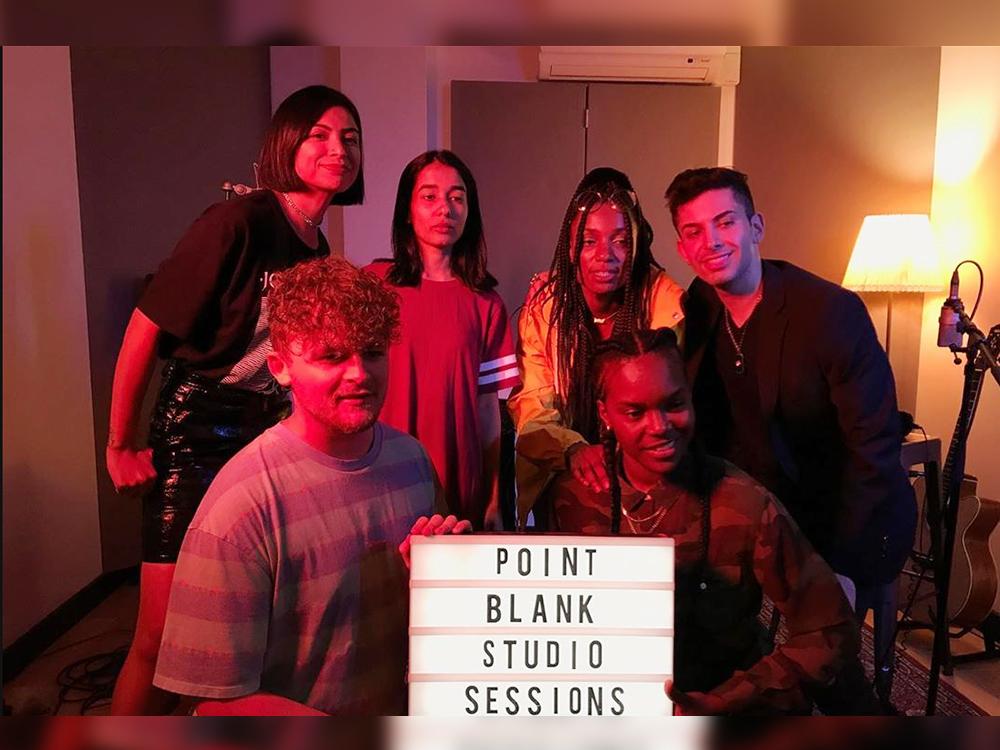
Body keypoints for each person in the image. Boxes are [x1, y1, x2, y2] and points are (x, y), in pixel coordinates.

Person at [105, 85, 365, 714]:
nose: (339, 149)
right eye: (320, 135)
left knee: (241, 619)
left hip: (262, 424)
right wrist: (119, 444)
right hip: (198, 423)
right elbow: (144, 328)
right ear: (286, 143)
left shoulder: (316, 246)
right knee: (161, 635)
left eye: (350, 138)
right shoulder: (238, 221)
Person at [152, 256, 471, 715]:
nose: (359, 374)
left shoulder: (413, 462)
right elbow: (214, 703)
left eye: (373, 352)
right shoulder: (239, 508)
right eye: (332, 356)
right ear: (280, 367)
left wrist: (438, 581)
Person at [665, 167, 917, 702]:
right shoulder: (700, 305)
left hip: (842, 516)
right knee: (710, 633)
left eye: (725, 222)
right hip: (762, 516)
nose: (712, 242)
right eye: (694, 231)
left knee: (827, 662)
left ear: (755, 226)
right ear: (683, 249)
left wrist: (838, 563)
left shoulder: (830, 312)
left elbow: (873, 450)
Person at [551, 327, 873, 715]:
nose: (660, 427)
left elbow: (830, 628)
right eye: (635, 412)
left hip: (726, 702)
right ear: (605, 414)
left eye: (674, 403)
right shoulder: (572, 498)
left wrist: (732, 699)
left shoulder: (742, 501)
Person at [508, 167, 685, 529]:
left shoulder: (665, 303)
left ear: (636, 245)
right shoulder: (546, 307)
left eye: (620, 241)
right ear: (571, 248)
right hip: (566, 472)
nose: (605, 255)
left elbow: (666, 405)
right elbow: (533, 406)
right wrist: (572, 448)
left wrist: (619, 461)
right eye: (589, 241)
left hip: (645, 472)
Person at [366, 150, 518, 530]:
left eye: (456, 197)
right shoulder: (374, 285)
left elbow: (489, 412)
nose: (444, 209)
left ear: (470, 211)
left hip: (458, 482)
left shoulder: (486, 303)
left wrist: (495, 498)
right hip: (383, 477)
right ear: (407, 210)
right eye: (429, 196)